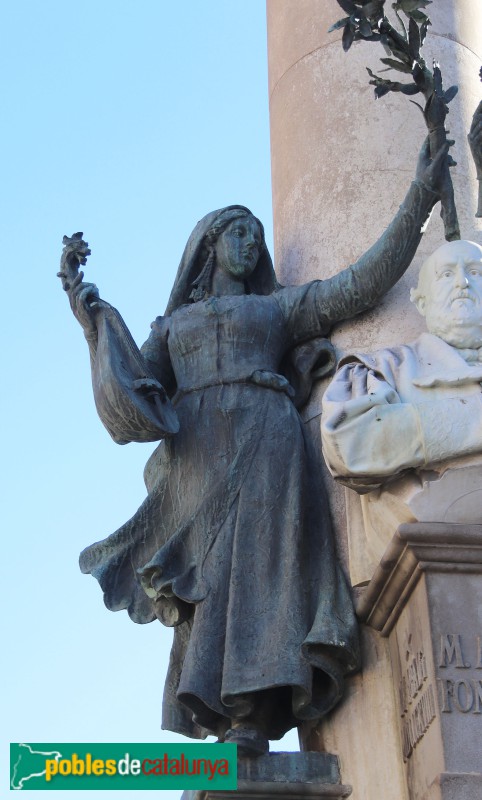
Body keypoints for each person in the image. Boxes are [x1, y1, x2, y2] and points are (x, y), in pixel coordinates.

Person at [64, 141, 446, 756]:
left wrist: (421, 196)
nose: (250, 243)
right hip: (196, 458)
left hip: (269, 447)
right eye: (237, 232)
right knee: (206, 584)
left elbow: (360, 283)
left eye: (257, 235)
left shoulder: (277, 308)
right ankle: (219, 712)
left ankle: (253, 712)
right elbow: (135, 386)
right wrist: (92, 320)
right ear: (208, 244)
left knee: (263, 577)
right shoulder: (173, 329)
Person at [321, 239, 482, 492]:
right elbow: (350, 444)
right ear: (421, 302)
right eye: (447, 274)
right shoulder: (382, 369)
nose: (463, 282)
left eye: (475, 272)